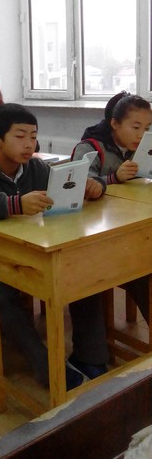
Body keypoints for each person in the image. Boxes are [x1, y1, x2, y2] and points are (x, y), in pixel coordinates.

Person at [0, 103, 108, 390]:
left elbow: (62, 188)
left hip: (28, 246)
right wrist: (15, 204)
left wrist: (93, 186)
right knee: (3, 294)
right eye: (20, 136)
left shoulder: (35, 167)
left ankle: (90, 356)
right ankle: (44, 366)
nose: (29, 144)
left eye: (33, 136)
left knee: (81, 271)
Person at [72, 91, 151, 323]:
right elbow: (81, 187)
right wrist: (114, 178)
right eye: (135, 127)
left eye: (147, 129)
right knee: (138, 268)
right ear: (114, 123)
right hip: (93, 235)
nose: (141, 135)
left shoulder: (141, 148)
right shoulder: (89, 148)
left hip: (129, 228)